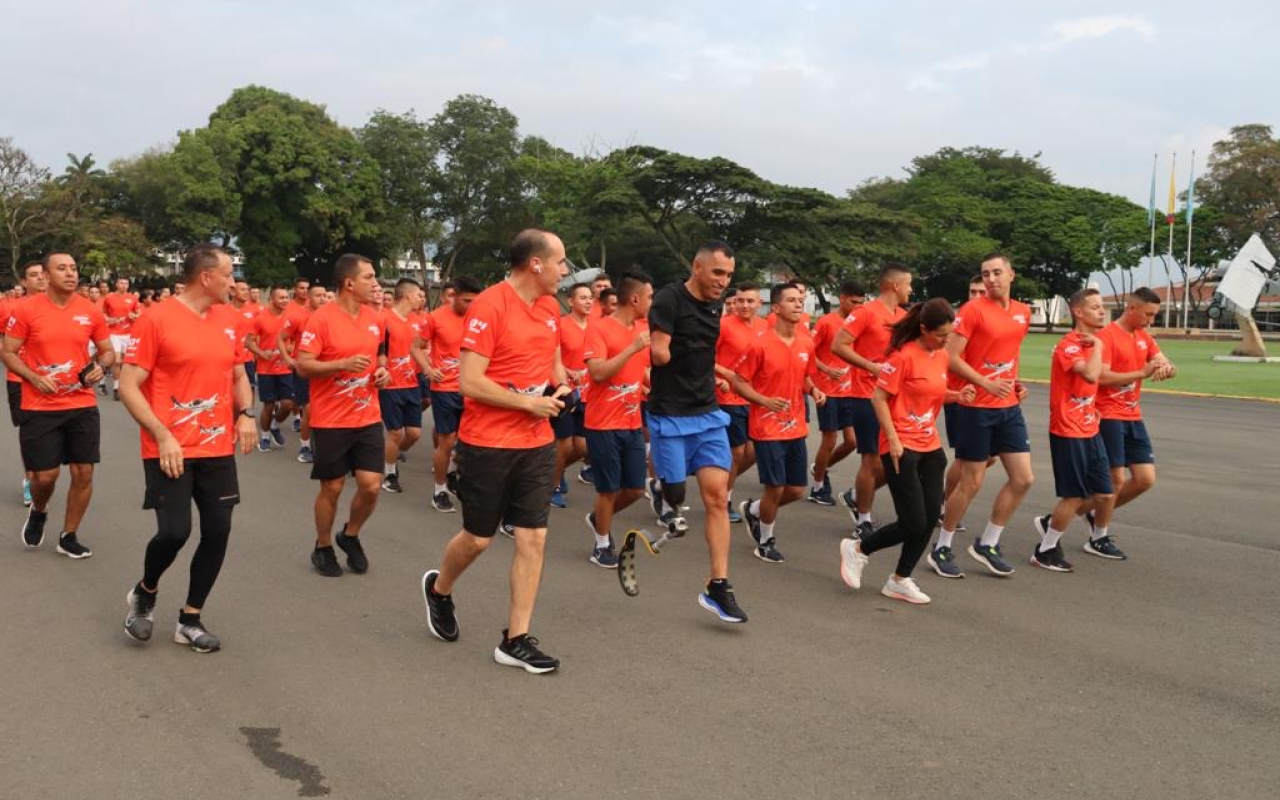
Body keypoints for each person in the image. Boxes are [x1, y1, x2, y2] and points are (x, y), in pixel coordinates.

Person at [421, 228, 570, 674]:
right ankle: (440, 590)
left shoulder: (549, 307)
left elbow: (552, 359)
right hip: (488, 441)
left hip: (537, 441)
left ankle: (515, 638)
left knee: (533, 536)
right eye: (560, 261)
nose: (566, 270)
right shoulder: (490, 304)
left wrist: (560, 386)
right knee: (479, 538)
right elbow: (470, 381)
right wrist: (528, 401)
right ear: (536, 263)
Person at [119, 244, 257, 653]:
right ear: (206, 277)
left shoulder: (230, 320)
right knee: (174, 532)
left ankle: (190, 619)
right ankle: (145, 592)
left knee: (218, 530)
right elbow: (128, 385)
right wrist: (163, 435)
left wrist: (246, 413)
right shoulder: (155, 319)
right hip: (169, 445)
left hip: (216, 445)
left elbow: (238, 374)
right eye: (229, 274)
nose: (234, 282)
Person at [840, 299, 973, 604]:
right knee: (912, 521)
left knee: (928, 518)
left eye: (949, 334)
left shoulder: (939, 356)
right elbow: (879, 398)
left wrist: (957, 395)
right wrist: (893, 438)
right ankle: (858, 549)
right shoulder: (901, 358)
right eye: (941, 335)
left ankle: (900, 579)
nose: (946, 341)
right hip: (901, 447)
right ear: (924, 329)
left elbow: (931, 394)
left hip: (930, 447)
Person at [648, 241, 746, 623]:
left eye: (728, 275)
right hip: (670, 414)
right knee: (676, 495)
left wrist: (719, 373)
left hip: (707, 413)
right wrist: (663, 351)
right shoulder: (668, 300)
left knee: (717, 497)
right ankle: (660, 486)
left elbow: (706, 351)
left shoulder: (716, 304)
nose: (723, 282)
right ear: (697, 267)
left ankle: (718, 585)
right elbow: (659, 351)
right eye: (718, 273)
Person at [2, 253, 114, 557]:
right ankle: (39, 509)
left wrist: (100, 367)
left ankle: (69, 536)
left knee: (84, 473)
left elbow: (107, 351)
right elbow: (8, 352)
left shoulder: (90, 311)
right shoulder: (26, 310)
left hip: (81, 402)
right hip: (39, 404)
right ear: (47, 276)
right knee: (45, 477)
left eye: (73, 269)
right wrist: (33, 377)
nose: (70, 274)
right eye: (61, 269)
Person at [934, 253, 1033, 577]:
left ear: (1011, 275)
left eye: (996, 273)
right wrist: (985, 383)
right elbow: (949, 357)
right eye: (985, 274)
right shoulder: (972, 311)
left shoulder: (1022, 312)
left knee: (1023, 479)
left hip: (1008, 408)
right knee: (972, 480)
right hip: (975, 407)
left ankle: (987, 543)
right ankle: (942, 546)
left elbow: (1008, 355)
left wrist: (1014, 383)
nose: (991, 279)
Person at [295, 255, 390, 577]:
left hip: (367, 415)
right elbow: (304, 365)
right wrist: (340, 365)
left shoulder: (374, 318)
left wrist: (382, 373)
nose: (375, 283)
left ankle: (349, 535)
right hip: (331, 418)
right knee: (333, 487)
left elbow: (378, 359)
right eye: (370, 276)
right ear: (349, 283)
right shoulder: (321, 319)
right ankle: (323, 546)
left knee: (371, 485)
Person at [730, 283, 824, 563]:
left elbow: (805, 377)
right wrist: (762, 400)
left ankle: (754, 509)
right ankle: (766, 539)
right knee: (776, 488)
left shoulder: (806, 342)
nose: (798, 305)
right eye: (791, 300)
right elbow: (738, 381)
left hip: (795, 425)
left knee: (796, 490)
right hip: (766, 428)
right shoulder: (759, 343)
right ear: (776, 308)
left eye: (800, 301)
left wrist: (814, 390)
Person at [1030, 288, 1115, 572]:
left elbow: (1099, 379)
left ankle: (1048, 522)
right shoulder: (1069, 344)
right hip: (1068, 430)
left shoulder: (1092, 343)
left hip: (1090, 428)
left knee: (1104, 493)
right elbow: (1091, 374)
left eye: (1102, 307)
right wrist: (1100, 347)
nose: (1102, 311)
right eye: (1095, 307)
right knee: (1074, 495)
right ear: (1078, 312)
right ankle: (1045, 550)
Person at [1092, 286, 1177, 558]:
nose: (1151, 321)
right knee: (1115, 481)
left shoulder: (1144, 337)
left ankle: (1083, 513)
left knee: (1144, 479)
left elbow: (1161, 359)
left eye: (1154, 316)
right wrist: (1140, 372)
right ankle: (1098, 536)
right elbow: (1102, 377)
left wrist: (1166, 367)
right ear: (1132, 308)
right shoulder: (1105, 337)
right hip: (1108, 414)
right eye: (1148, 315)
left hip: (1132, 416)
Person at [831, 263, 911, 537]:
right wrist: (870, 366)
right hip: (865, 395)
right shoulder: (865, 312)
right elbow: (838, 345)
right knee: (872, 459)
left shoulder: (903, 316)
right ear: (895, 286)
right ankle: (863, 518)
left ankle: (856, 496)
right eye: (909, 284)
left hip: (894, 397)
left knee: (898, 460)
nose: (911, 290)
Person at [581, 270, 652, 567]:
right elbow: (597, 372)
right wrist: (632, 347)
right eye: (649, 297)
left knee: (635, 488)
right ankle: (601, 544)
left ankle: (599, 518)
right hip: (603, 423)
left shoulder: (643, 328)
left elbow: (641, 369)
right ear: (634, 298)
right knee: (608, 489)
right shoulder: (599, 329)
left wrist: (650, 385)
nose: (652, 302)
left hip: (633, 421)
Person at [934, 275, 990, 558]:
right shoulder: (962, 321)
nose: (977, 294)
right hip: (961, 397)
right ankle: (945, 505)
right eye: (972, 290)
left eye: (981, 290)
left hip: (990, 399)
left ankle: (947, 501)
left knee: (986, 458)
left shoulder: (991, 318)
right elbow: (948, 358)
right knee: (966, 460)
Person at [424, 275, 481, 512]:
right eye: (467, 300)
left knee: (470, 441)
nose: (471, 306)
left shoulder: (478, 319)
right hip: (445, 388)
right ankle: (439, 491)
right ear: (453, 295)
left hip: (471, 389)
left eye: (474, 301)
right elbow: (415, 347)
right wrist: (428, 368)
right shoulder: (435, 318)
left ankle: (453, 475)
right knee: (447, 441)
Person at [809, 280, 865, 506]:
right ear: (841, 298)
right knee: (829, 439)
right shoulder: (826, 322)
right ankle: (818, 487)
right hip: (827, 389)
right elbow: (807, 352)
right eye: (853, 302)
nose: (857, 307)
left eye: (861, 303)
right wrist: (826, 369)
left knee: (852, 441)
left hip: (850, 390)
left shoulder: (859, 323)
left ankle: (821, 468)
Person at [713, 282, 764, 523]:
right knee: (737, 451)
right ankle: (724, 500)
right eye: (740, 300)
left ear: (759, 303)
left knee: (753, 452)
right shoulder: (723, 326)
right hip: (728, 396)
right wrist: (723, 375)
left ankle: (720, 485)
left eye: (749, 301)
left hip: (754, 397)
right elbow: (705, 356)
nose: (744, 305)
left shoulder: (765, 328)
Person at [2, 261, 48, 506]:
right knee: (29, 433)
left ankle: (43, 477)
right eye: (34, 275)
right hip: (19, 380)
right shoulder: (13, 308)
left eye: (43, 274)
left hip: (53, 383)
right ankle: (30, 479)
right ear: (23, 281)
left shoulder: (60, 307)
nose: (40, 279)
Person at [379, 279, 429, 493]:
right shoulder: (384, 318)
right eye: (419, 294)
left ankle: (390, 454)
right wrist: (382, 369)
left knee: (415, 433)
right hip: (390, 385)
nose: (422, 298)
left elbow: (422, 348)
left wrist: (428, 364)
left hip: (411, 383)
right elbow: (377, 349)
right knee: (394, 433)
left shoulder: (418, 321)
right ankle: (389, 473)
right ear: (407, 295)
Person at [552, 283, 593, 508]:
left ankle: (554, 472)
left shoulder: (596, 326)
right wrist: (567, 372)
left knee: (583, 447)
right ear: (570, 302)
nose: (588, 302)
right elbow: (551, 356)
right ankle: (554, 485)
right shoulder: (561, 325)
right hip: (565, 391)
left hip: (589, 394)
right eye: (583, 298)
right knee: (565, 443)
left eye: (590, 298)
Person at [278, 284, 327, 461]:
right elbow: (281, 339)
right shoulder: (298, 316)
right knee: (310, 410)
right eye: (318, 295)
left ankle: (325, 447)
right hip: (305, 370)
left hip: (327, 370)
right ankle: (305, 448)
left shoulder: (330, 317)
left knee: (325, 411)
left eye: (324, 295)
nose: (322, 299)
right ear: (309, 298)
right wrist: (287, 358)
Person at [245, 287, 295, 450]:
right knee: (269, 405)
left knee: (288, 404)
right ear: (272, 299)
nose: (285, 300)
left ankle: (274, 424)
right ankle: (265, 436)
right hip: (266, 369)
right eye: (281, 298)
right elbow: (249, 342)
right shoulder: (260, 318)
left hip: (285, 368)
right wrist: (261, 353)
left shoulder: (291, 317)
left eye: (287, 297)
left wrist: (291, 348)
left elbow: (295, 338)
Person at [102, 276, 140, 400]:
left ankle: (125, 387)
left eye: (126, 283)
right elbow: (103, 313)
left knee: (126, 362)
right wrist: (108, 319)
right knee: (117, 361)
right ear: (116, 284)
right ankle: (116, 388)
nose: (124, 285)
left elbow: (138, 313)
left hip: (129, 333)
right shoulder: (109, 298)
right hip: (114, 333)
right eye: (121, 283)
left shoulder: (133, 298)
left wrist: (133, 315)